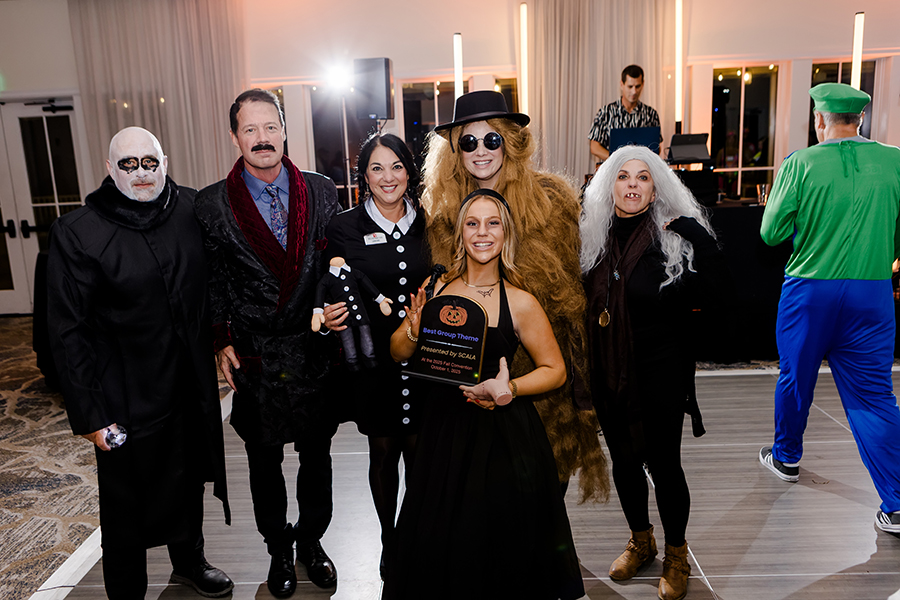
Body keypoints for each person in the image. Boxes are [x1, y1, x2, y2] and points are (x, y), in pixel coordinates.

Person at [47, 127, 233, 599]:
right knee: (126, 503)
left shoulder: (190, 208)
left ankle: (190, 561)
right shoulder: (79, 232)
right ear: (110, 169)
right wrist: (92, 415)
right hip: (124, 395)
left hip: (188, 384)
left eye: (149, 162)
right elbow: (68, 332)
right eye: (128, 164)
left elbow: (218, 282)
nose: (141, 173)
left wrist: (223, 339)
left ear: (164, 163)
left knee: (188, 478)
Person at [384, 189, 584, 600]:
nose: (482, 232)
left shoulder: (522, 302)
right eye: (472, 223)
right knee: (443, 539)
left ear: (506, 234)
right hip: (443, 433)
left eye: (493, 223)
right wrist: (414, 332)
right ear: (460, 234)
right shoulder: (436, 288)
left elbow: (556, 370)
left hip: (503, 436)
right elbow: (397, 352)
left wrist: (509, 388)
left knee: (498, 541)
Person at [424, 89, 608, 505]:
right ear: (455, 151)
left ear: (509, 141)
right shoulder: (444, 214)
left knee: (546, 490)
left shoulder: (552, 201)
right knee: (486, 498)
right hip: (474, 386)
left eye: (492, 139)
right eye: (468, 142)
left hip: (543, 381)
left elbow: (577, 291)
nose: (481, 150)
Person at [194, 89, 340, 597]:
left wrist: (336, 308)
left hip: (313, 346)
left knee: (317, 455)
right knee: (264, 459)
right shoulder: (211, 204)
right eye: (250, 129)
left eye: (270, 126)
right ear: (234, 137)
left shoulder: (321, 190)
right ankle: (278, 546)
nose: (262, 138)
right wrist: (220, 338)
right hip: (257, 352)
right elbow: (213, 280)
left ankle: (312, 542)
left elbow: (335, 264)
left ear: (284, 131)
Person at [580, 145, 731, 600]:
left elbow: (720, 294)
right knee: (625, 463)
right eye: (623, 176)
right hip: (609, 370)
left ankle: (677, 554)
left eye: (642, 177)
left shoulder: (672, 238)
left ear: (655, 187)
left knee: (664, 467)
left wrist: (698, 236)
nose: (632, 184)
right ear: (609, 185)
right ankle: (641, 542)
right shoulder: (592, 237)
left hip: (660, 372)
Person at [758, 82, 900, 534]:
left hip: (810, 291)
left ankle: (786, 458)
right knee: (874, 396)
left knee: (795, 377)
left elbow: (770, 233)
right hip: (872, 291)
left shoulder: (800, 163)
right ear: (860, 119)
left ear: (819, 119)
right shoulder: (895, 160)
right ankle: (898, 503)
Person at [323, 132, 430, 578]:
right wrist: (328, 314)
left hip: (426, 360)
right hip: (373, 363)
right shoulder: (343, 227)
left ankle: (418, 537)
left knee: (422, 455)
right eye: (377, 168)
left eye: (397, 167)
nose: (388, 177)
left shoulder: (432, 222)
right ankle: (390, 540)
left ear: (409, 172)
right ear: (364, 176)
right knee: (383, 453)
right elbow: (330, 286)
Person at [588, 64, 661, 163]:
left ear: (643, 84)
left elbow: (657, 147)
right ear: (622, 84)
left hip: (642, 168)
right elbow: (594, 147)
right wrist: (618, 161)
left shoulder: (651, 114)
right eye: (630, 86)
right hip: (613, 169)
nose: (634, 91)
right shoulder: (606, 112)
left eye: (638, 86)